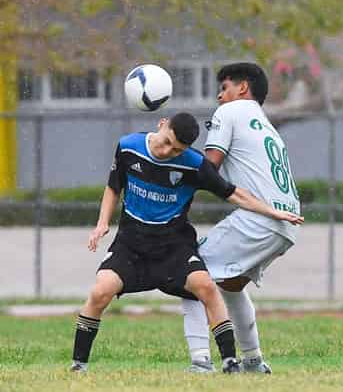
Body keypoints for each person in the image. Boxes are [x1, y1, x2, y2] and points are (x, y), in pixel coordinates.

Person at [70, 112, 303, 374]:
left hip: (174, 247)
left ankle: (229, 362)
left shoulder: (193, 164)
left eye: (177, 149)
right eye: (167, 142)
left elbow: (233, 193)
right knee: (100, 291)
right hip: (131, 246)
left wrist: (273, 213)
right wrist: (102, 223)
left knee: (205, 286)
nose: (168, 151)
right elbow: (113, 186)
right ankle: (79, 365)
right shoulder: (128, 147)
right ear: (162, 124)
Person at [182, 63, 302, 374]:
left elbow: (210, 168)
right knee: (231, 285)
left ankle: (201, 362)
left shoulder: (231, 112)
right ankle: (252, 361)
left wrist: (171, 161)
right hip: (285, 222)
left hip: (259, 218)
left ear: (243, 88)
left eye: (224, 87)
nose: (220, 96)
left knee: (191, 273)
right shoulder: (264, 123)